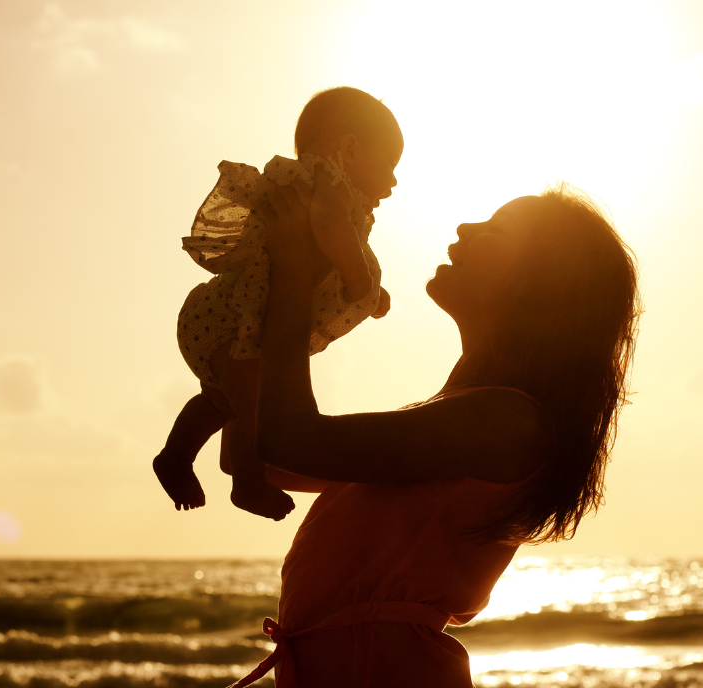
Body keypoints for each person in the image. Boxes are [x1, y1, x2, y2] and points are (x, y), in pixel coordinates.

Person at [227, 182, 640, 686]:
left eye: (495, 230)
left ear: (542, 281)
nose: (467, 228)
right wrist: (251, 304)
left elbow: (288, 440)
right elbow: (256, 455)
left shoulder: (503, 421)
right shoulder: (461, 413)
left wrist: (295, 271)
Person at [154, 87, 404, 520]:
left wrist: (369, 293)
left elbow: (324, 261)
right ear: (349, 148)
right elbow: (329, 232)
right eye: (390, 163)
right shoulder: (325, 185)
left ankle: (175, 456)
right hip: (231, 320)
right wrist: (361, 282)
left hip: (223, 319)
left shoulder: (330, 192)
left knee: (223, 400)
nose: (395, 180)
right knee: (250, 402)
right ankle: (248, 484)